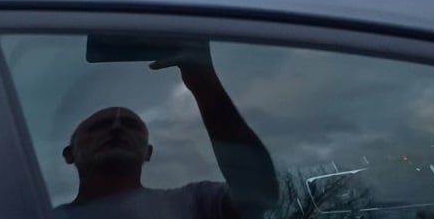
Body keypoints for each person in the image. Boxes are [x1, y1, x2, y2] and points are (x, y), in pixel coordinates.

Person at [54, 42, 279, 219]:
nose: (116, 128)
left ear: (148, 152)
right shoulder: (41, 214)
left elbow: (258, 192)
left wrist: (204, 81)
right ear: (69, 153)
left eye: (131, 125)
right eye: (100, 126)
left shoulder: (195, 202)